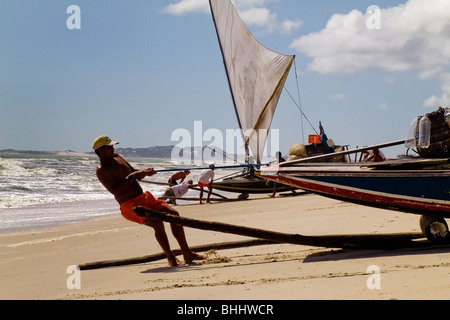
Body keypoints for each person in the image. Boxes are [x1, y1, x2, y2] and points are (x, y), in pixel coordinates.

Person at [93, 135, 204, 267]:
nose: (113, 148)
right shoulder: (101, 171)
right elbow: (115, 190)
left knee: (174, 215)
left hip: (144, 197)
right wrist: (133, 176)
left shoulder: (118, 156)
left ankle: (187, 253)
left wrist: (144, 172)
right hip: (130, 205)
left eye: (112, 146)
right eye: (110, 146)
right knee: (157, 224)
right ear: (101, 150)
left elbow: (133, 171)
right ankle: (171, 258)